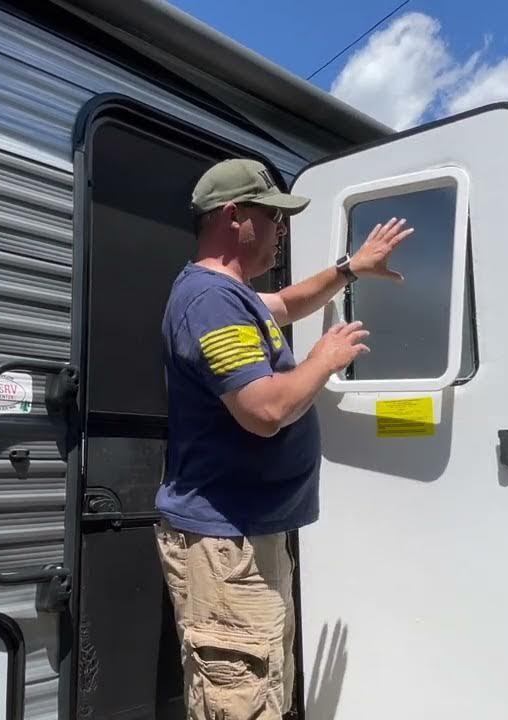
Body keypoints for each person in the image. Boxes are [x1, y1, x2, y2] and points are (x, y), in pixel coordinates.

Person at [156, 158, 413, 720]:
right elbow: (265, 410)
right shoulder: (210, 301)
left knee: (263, 688)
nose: (281, 230)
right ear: (234, 217)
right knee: (240, 700)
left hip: (246, 536)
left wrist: (350, 267)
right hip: (226, 544)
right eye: (273, 217)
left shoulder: (235, 297)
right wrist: (324, 359)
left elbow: (289, 303)